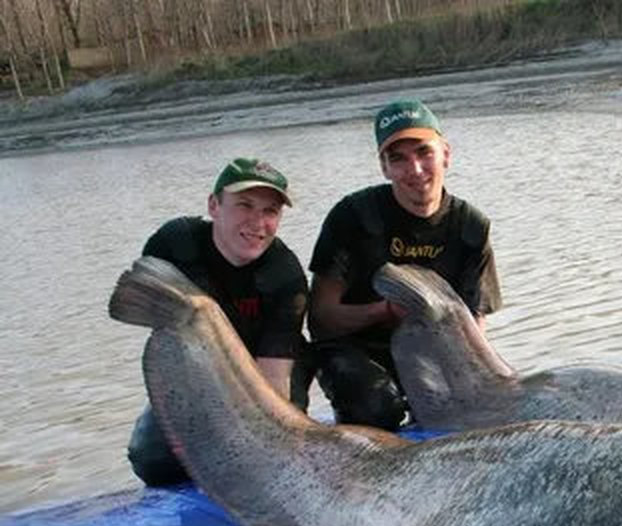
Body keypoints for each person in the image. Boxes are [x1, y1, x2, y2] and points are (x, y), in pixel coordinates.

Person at [307, 98, 503, 430]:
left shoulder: (471, 227)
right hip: (357, 348)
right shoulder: (352, 216)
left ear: (445, 154)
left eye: (424, 152)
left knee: (484, 405)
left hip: (434, 348)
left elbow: (475, 325)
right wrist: (384, 311)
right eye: (398, 159)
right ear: (384, 167)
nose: (414, 170)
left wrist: (474, 382)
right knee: (377, 408)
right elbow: (321, 320)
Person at [126, 158, 311, 486]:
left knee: (272, 449)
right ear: (214, 205)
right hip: (194, 371)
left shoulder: (285, 275)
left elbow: (274, 375)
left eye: (270, 211)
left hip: (262, 371)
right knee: (153, 460)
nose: (258, 223)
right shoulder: (174, 245)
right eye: (244, 205)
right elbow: (139, 310)